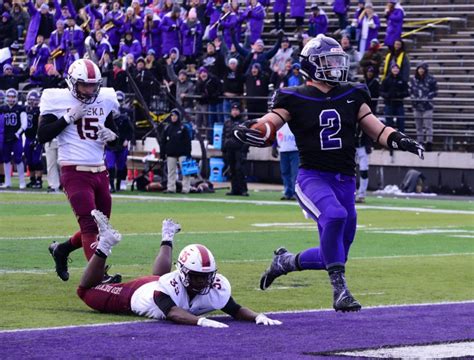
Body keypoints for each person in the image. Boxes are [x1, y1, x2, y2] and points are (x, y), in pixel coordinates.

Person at [234, 34, 424, 312]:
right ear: (310, 65)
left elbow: (376, 128)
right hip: (313, 177)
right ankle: (340, 291)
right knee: (335, 215)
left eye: (338, 60)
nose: (336, 66)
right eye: (328, 61)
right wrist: (256, 130)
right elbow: (270, 122)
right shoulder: (294, 95)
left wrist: (402, 139)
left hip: (345, 181)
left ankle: (285, 262)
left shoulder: (353, 93)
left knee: (333, 254)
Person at [78, 210, 282, 327]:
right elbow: (174, 313)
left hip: (156, 281)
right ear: (183, 273)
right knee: (85, 291)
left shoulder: (213, 286)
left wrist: (258, 316)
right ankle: (105, 244)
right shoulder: (167, 287)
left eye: (206, 276)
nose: (203, 281)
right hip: (134, 294)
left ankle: (167, 236)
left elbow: (235, 310)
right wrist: (201, 321)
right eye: (197, 277)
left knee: (158, 276)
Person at [38, 59, 121, 283]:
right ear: (72, 82)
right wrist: (66, 118)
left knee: (102, 228)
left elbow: (116, 134)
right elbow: (42, 135)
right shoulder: (56, 99)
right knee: (88, 224)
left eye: (93, 85)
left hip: (100, 171)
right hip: (74, 170)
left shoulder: (104, 98)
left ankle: (62, 250)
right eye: (85, 85)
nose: (90, 90)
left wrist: (113, 139)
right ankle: (99, 277)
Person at [105, 91, 134, 193]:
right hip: (110, 145)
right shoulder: (106, 117)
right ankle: (111, 185)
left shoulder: (125, 118)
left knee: (121, 165)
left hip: (121, 144)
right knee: (110, 165)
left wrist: (127, 139)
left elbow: (130, 131)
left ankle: (118, 184)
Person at [0, 88, 27, 189]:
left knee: (18, 159)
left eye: (13, 97)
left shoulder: (20, 108)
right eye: (9, 97)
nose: (11, 99)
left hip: (16, 137)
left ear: (16, 98)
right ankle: (7, 181)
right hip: (5, 137)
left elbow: (24, 124)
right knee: (6, 160)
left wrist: (17, 133)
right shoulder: (2, 108)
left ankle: (22, 181)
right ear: (6, 98)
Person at [160, 109, 192, 194]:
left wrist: (188, 153)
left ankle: (186, 188)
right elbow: (163, 142)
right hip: (171, 153)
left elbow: (188, 141)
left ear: (178, 117)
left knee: (185, 172)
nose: (173, 118)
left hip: (183, 153)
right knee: (171, 171)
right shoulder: (167, 128)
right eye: (172, 116)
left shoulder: (183, 128)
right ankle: (171, 188)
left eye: (175, 116)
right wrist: (162, 154)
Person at [409, 62, 438, 152]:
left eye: (422, 68)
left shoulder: (431, 79)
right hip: (417, 106)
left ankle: (429, 143)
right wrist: (415, 99)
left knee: (428, 126)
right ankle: (420, 143)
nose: (421, 70)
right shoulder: (413, 80)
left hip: (427, 106)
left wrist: (426, 98)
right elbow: (410, 91)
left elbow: (435, 91)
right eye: (419, 68)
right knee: (419, 127)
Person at [222, 103, 248, 196]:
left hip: (239, 150)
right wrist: (223, 149)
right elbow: (224, 136)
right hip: (229, 150)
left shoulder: (244, 123)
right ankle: (234, 189)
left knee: (240, 169)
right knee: (232, 170)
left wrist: (244, 149)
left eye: (236, 110)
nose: (235, 112)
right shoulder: (227, 122)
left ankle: (243, 189)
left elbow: (247, 137)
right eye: (233, 110)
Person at [381, 63, 409, 132]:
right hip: (389, 103)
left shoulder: (402, 80)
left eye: (397, 68)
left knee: (401, 122)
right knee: (389, 122)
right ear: (391, 69)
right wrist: (387, 95)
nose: (395, 69)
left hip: (399, 104)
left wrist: (399, 94)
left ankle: (401, 138)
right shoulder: (386, 80)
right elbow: (381, 91)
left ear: (399, 70)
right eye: (394, 68)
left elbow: (407, 92)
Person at [273, 123, 298, 200]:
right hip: (283, 149)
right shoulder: (280, 122)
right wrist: (274, 146)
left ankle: (295, 193)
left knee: (295, 173)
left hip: (295, 150)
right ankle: (288, 192)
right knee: (285, 172)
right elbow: (275, 134)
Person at [24, 90, 43, 189]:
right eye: (31, 100)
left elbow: (41, 125)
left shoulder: (40, 110)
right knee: (29, 160)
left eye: (34, 100)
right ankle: (32, 180)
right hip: (27, 137)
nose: (33, 102)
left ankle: (39, 180)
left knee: (37, 160)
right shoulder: (26, 109)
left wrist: (37, 137)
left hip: (36, 138)